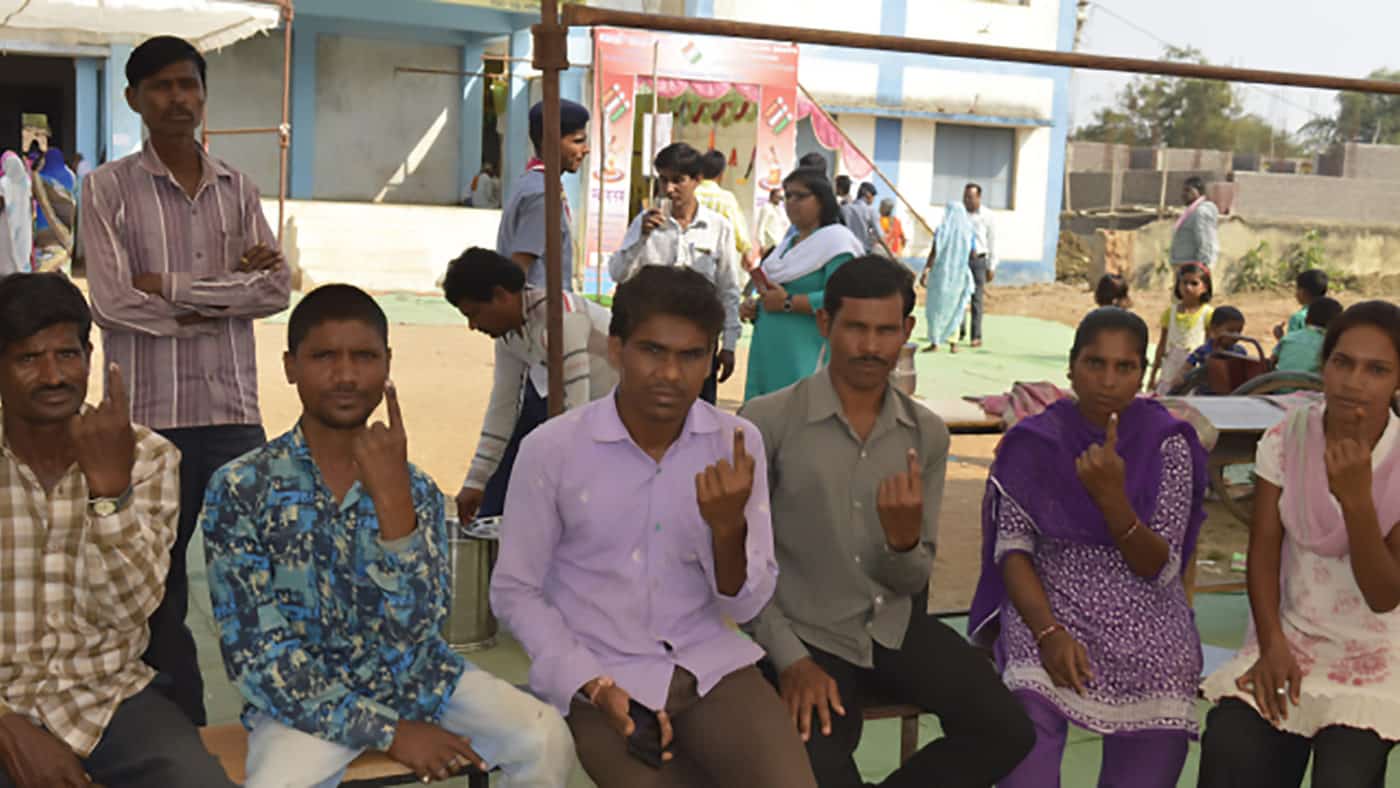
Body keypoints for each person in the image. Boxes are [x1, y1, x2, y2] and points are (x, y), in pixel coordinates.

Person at [201, 285, 573, 787]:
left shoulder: (416, 487)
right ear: (290, 366)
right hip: (306, 703)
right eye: (324, 356)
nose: (346, 375)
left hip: (418, 683)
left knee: (543, 737)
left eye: (364, 356)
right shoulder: (242, 487)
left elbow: (420, 634)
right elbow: (259, 659)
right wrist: (391, 732)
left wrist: (394, 507)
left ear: (387, 362)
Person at [491, 265, 818, 788]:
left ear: (712, 359)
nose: (670, 374)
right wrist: (593, 685)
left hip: (711, 666)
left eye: (691, 356)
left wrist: (727, 531)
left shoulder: (737, 445)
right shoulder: (552, 450)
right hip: (600, 675)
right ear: (615, 349)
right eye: (653, 351)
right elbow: (515, 592)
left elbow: (745, 605)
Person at [741, 256, 1034, 788]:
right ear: (826, 324)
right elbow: (745, 569)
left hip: (892, 627)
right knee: (817, 767)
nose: (871, 347)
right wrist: (790, 660)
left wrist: (901, 546)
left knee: (1008, 730)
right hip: (804, 633)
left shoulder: (925, 434)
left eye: (885, 330)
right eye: (855, 327)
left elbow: (911, 580)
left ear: (906, 331)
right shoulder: (767, 422)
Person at [80, 35, 293, 725]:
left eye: (189, 85)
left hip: (233, 413)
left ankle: (279, 707)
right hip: (151, 416)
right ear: (134, 99)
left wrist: (172, 289)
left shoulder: (240, 188)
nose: (179, 99)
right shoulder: (107, 189)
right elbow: (111, 302)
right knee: (155, 580)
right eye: (163, 87)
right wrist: (223, 298)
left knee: (258, 568)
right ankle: (177, 719)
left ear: (204, 94)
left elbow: (277, 290)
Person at [0, 273, 234, 788]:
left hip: (108, 699)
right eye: (27, 359)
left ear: (90, 355)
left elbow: (131, 609)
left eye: (67, 355)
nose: (53, 375)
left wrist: (109, 494)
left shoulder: (148, 457)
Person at [969, 307, 1210, 788]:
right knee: (1024, 769)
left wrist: (1113, 501)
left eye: (1125, 367)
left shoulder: (1169, 444)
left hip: (1146, 613)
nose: (1107, 380)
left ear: (1142, 373)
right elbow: (1012, 550)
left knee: (1152, 746)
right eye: (1094, 363)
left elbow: (1159, 569)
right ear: (1071, 366)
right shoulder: (1033, 443)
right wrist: (1048, 633)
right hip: (1049, 605)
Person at [1198, 300, 1400, 788]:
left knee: (1344, 774)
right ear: (1323, 365)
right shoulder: (1286, 438)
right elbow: (1263, 553)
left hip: (1374, 652)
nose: (1354, 382)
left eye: (1377, 370)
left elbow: (1384, 594)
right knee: (1232, 744)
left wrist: (1356, 501)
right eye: (1342, 362)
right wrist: (1272, 645)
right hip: (1289, 637)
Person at [444, 246, 615, 522]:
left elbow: (576, 412)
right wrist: (476, 482)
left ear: (501, 295)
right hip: (581, 406)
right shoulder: (508, 336)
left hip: (615, 410)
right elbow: (502, 408)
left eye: (475, 313)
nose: (473, 326)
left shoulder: (561, 320)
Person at [610, 142, 740, 405]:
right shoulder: (645, 223)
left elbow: (729, 288)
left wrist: (729, 344)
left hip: (699, 338)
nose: (669, 189)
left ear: (697, 180)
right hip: (652, 335)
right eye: (663, 180)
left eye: (678, 180)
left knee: (698, 411)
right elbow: (618, 273)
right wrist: (640, 237)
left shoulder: (718, 228)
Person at [741, 167, 863, 401]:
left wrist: (788, 303)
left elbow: (842, 298)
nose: (791, 202)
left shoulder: (837, 242)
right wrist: (753, 306)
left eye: (800, 196)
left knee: (799, 416)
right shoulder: (786, 245)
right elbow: (772, 291)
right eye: (788, 196)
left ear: (822, 200)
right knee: (765, 418)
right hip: (768, 347)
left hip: (807, 349)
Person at [497, 99, 590, 291]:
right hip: (540, 312)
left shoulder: (534, 183)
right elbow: (520, 265)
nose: (586, 149)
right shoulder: (543, 194)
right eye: (578, 141)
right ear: (548, 141)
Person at [917, 202, 976, 354]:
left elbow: (934, 251)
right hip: (959, 275)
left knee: (936, 309)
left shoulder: (942, 230)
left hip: (941, 275)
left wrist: (927, 269)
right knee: (955, 308)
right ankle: (953, 343)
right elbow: (973, 253)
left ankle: (935, 342)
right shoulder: (969, 231)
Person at [1148, 262, 1213, 394]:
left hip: (1193, 373)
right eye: (1184, 282)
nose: (1188, 287)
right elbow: (1162, 345)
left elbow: (1210, 346)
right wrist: (1153, 373)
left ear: (1205, 287)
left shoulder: (1208, 314)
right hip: (1169, 371)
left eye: (1194, 283)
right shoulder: (1170, 313)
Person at [696, 149, 758, 268]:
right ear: (721, 174)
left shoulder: (691, 194)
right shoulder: (725, 198)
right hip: (716, 256)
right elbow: (737, 226)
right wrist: (746, 250)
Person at [957, 183, 998, 349]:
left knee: (977, 299)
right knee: (959, 297)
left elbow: (992, 240)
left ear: (979, 197)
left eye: (971, 197)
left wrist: (991, 265)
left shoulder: (987, 216)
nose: (967, 200)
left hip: (979, 261)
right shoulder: (959, 214)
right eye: (965, 197)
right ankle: (958, 332)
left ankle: (976, 336)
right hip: (960, 260)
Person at [1185, 305, 1248, 396]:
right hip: (1205, 396)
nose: (1236, 335)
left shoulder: (1240, 352)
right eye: (1230, 331)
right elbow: (1187, 366)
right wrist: (1180, 378)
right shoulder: (1204, 350)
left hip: (1231, 396)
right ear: (1213, 329)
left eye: (1239, 331)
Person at [1273, 296, 1342, 376]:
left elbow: (1271, 362)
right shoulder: (1331, 346)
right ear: (1332, 324)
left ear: (1306, 319)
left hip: (1279, 385)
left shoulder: (1288, 338)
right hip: (1311, 387)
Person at [1168, 176, 1218, 268]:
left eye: (1188, 190)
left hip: (1193, 268)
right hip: (1183, 266)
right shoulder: (1190, 212)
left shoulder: (1201, 212)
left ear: (1198, 192)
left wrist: (1201, 267)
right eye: (1183, 190)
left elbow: (1205, 242)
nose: (1183, 194)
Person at [0, 151, 32, 275]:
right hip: (24, 221)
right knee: (23, 247)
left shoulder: (2, 183)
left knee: (7, 249)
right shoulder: (26, 182)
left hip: (7, 221)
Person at [1273, 268, 1329, 340]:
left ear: (1302, 292)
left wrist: (1280, 337)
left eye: (1297, 289)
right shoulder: (1332, 313)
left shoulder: (1298, 318)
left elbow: (1293, 347)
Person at [757, 188, 790, 256]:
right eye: (777, 196)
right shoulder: (766, 207)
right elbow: (761, 227)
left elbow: (786, 225)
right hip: (770, 245)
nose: (779, 198)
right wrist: (762, 245)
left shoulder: (780, 209)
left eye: (780, 197)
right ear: (771, 196)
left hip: (780, 244)